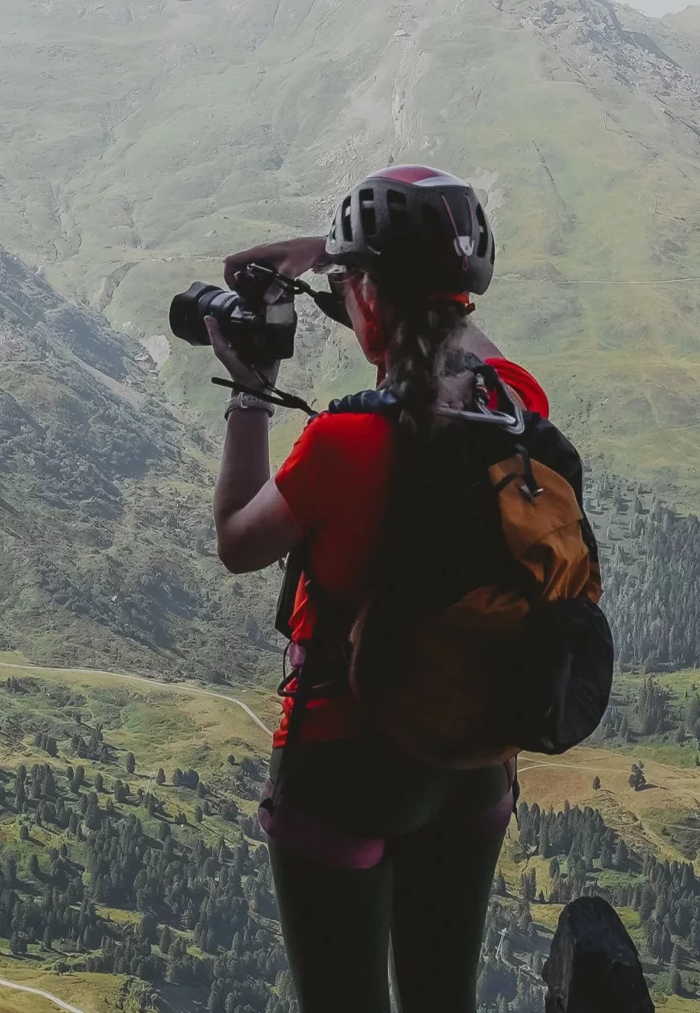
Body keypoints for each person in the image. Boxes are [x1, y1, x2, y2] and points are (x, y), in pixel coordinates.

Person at [206, 165, 548, 1013]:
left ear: (363, 298)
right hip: (472, 753)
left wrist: (251, 391)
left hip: (344, 763)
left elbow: (238, 542)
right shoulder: (516, 402)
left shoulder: (345, 440)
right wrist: (347, 258)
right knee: (444, 1000)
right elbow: (462, 337)